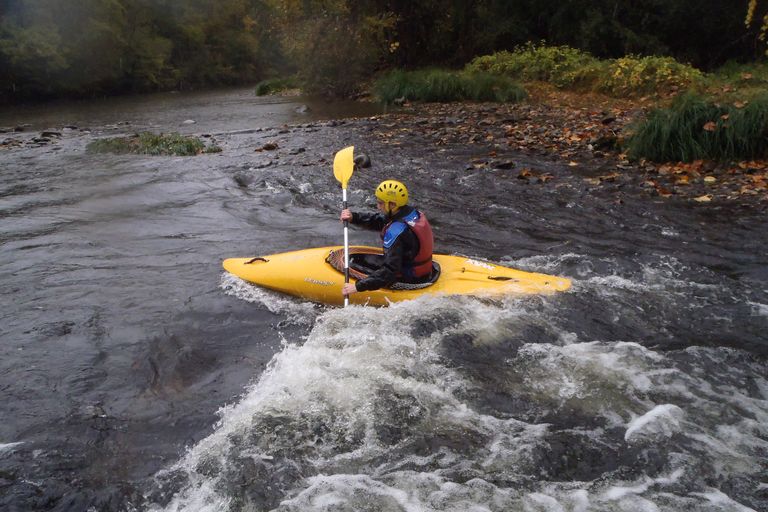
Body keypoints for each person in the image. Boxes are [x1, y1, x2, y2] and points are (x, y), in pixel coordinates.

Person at [340, 180, 433, 297]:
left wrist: (357, 287)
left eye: (380, 203)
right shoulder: (411, 213)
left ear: (392, 205)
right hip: (424, 271)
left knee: (355, 264)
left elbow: (390, 271)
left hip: (409, 279)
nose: (378, 206)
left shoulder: (396, 232)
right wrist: (354, 217)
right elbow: (381, 220)